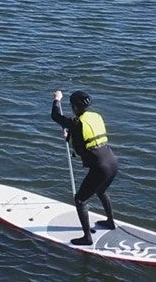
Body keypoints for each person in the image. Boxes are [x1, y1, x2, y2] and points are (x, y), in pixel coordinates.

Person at [50, 89, 119, 246]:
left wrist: (57, 100)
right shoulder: (95, 117)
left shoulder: (76, 122)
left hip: (100, 167)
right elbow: (87, 140)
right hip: (112, 161)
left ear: (74, 107)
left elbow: (55, 116)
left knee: (80, 200)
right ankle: (110, 222)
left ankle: (87, 238)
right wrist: (69, 137)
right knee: (100, 191)